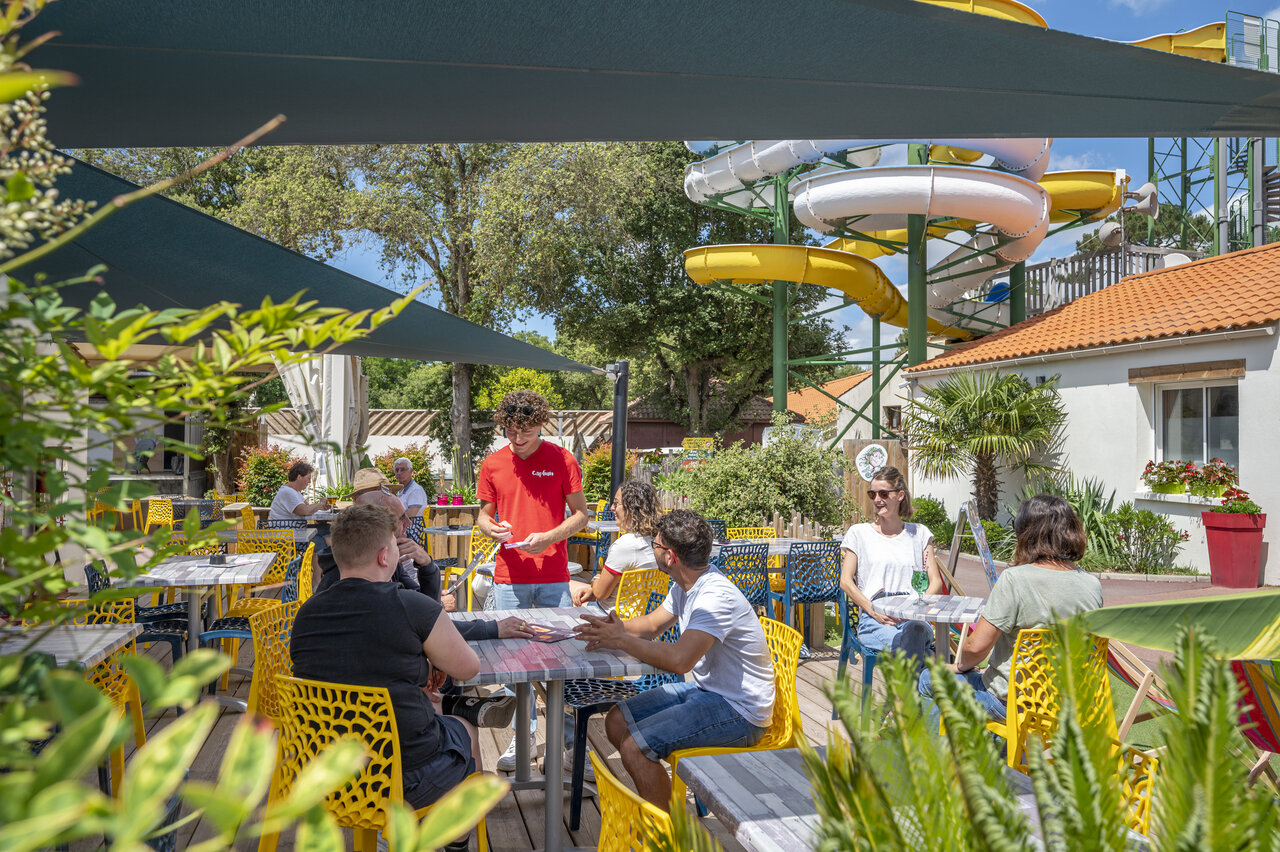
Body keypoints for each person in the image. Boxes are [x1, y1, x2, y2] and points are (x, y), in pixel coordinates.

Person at [290, 504, 482, 839]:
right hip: (403, 778)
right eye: (394, 545)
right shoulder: (412, 606)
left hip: (326, 774)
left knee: (430, 707)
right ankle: (456, 842)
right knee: (464, 729)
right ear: (384, 556)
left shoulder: (306, 613)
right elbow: (468, 668)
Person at [574, 510, 775, 810]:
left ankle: (664, 834)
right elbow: (654, 624)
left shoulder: (714, 597)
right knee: (616, 721)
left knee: (635, 747)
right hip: (711, 693)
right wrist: (615, 629)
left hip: (740, 712)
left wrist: (621, 640)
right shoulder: (686, 584)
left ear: (670, 556)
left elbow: (681, 660)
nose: (651, 548)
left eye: (654, 545)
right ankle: (660, 805)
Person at [476, 389, 590, 770]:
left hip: (554, 575)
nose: (517, 438)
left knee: (565, 659)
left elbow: (581, 515)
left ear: (541, 424)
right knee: (515, 662)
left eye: (524, 431)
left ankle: (572, 745)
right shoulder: (493, 463)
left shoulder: (561, 458)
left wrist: (549, 538)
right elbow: (482, 515)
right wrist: (489, 527)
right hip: (508, 577)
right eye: (510, 431)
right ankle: (521, 739)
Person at [918, 494, 1103, 725]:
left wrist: (959, 665)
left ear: (1026, 533)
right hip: (1068, 704)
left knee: (928, 679)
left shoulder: (1015, 579)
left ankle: (934, 758)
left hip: (1013, 704)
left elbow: (977, 647)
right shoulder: (1092, 584)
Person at [838, 465, 942, 668]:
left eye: (883, 493)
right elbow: (845, 581)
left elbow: (935, 581)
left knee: (914, 633)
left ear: (900, 495)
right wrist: (873, 610)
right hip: (875, 618)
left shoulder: (919, 533)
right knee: (916, 649)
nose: (877, 499)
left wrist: (914, 610)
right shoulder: (859, 533)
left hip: (913, 616)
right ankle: (930, 670)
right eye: (872, 494)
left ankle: (905, 697)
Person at [571, 480, 660, 608]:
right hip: (642, 612)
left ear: (632, 508)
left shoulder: (625, 545)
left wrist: (595, 579)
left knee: (565, 586)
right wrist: (594, 588)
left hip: (612, 617)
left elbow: (600, 593)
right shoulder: (656, 541)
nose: (612, 507)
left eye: (617, 503)